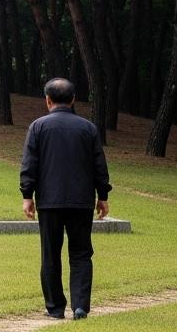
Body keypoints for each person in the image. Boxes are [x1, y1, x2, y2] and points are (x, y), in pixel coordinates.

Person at [19, 78, 111, 321]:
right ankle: (80, 306)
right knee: (81, 253)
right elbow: (99, 166)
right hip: (82, 202)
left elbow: (30, 165)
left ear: (47, 100)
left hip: (49, 202)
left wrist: (27, 195)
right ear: (73, 100)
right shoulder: (88, 128)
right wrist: (103, 196)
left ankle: (55, 308)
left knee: (50, 254)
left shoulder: (37, 127)